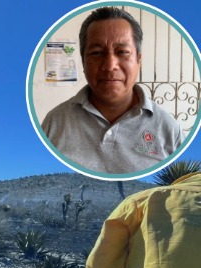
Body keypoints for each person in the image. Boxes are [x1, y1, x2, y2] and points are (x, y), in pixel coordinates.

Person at [42, 7, 183, 174]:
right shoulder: (54, 123)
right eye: (96, 53)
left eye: (122, 52)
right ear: (83, 62)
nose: (110, 65)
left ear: (139, 60)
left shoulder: (168, 129)